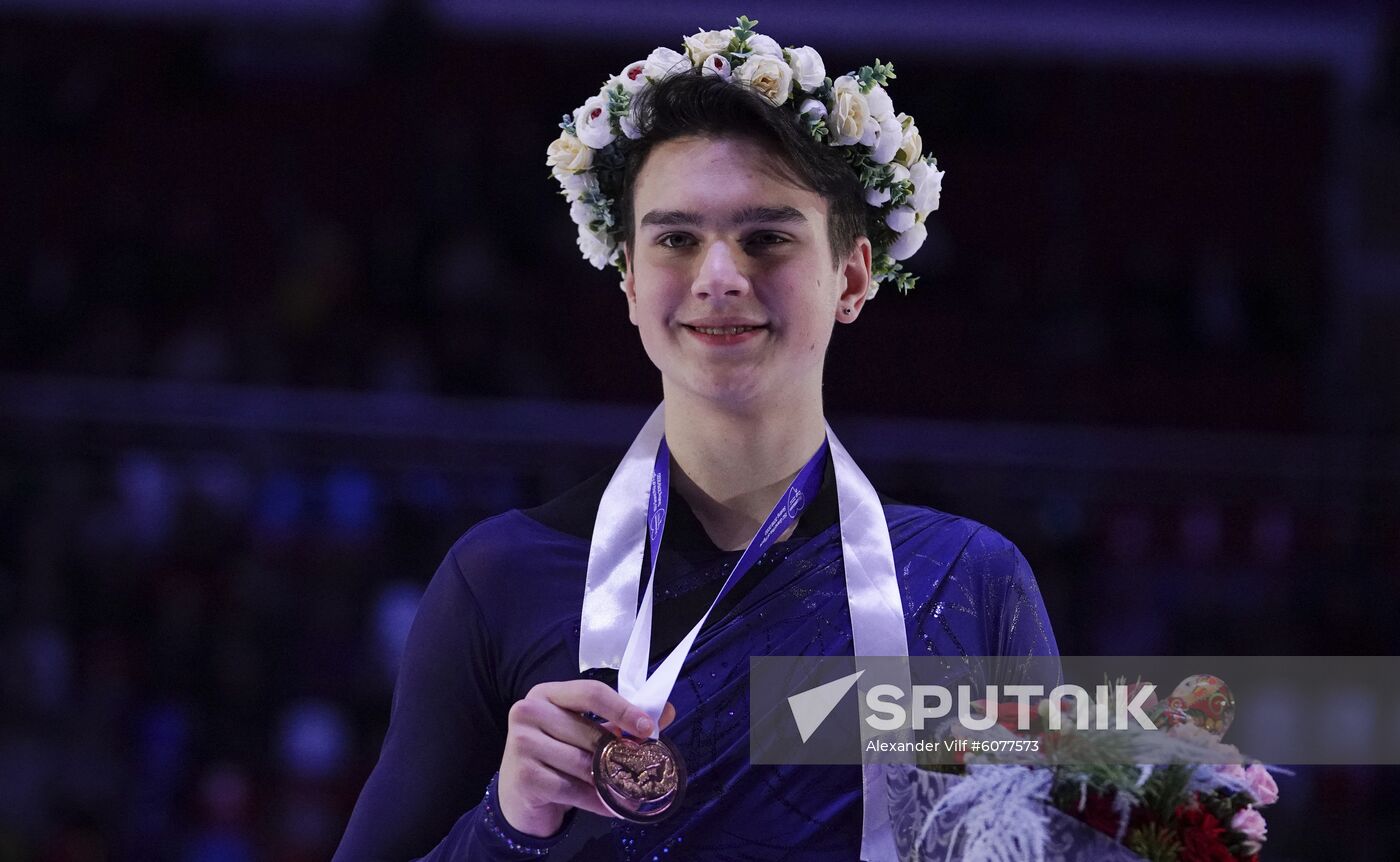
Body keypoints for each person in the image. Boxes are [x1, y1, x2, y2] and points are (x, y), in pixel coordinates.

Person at [333, 18, 1057, 861]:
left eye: (767, 238)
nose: (719, 277)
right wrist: (509, 818)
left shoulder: (969, 583)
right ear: (632, 282)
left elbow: (1083, 819)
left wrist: (1182, 785)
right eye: (678, 239)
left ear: (852, 278)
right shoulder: (501, 578)